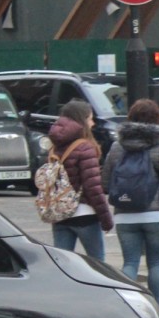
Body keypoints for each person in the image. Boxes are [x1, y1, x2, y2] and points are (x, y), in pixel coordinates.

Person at [103, 98, 159, 305]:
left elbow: (105, 182)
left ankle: (129, 306)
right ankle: (155, 307)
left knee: (130, 262)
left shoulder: (117, 147)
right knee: (155, 263)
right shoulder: (158, 146)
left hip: (124, 213)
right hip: (155, 213)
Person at [46, 100, 113, 260]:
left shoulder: (55, 147)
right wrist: (106, 220)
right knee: (98, 265)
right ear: (82, 120)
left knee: (63, 267)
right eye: (90, 118)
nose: (93, 123)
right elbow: (93, 188)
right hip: (85, 215)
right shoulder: (85, 147)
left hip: (60, 214)